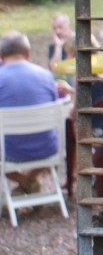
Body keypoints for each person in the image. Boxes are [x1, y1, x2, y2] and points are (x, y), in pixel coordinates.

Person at [0, 31, 72, 193]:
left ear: (1, 55)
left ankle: (24, 182)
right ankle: (30, 181)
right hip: (48, 149)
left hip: (9, 153)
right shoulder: (46, 76)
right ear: (27, 52)